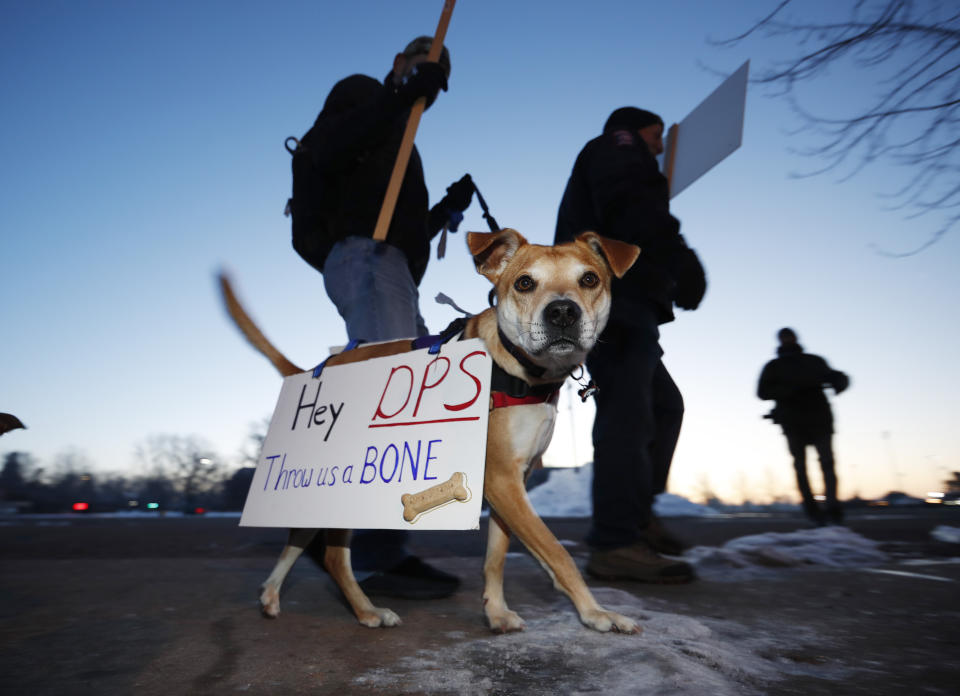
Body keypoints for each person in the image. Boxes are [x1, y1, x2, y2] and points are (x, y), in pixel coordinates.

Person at [299, 36, 475, 599]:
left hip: (387, 261)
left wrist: (441, 213)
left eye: (441, 77)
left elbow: (387, 211)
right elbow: (325, 149)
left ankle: (331, 531)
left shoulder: (396, 129)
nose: (435, 82)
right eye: (429, 67)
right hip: (367, 256)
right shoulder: (364, 96)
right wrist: (399, 96)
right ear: (401, 64)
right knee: (393, 395)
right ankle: (371, 552)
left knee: (391, 390)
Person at [554, 107, 706, 583]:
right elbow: (631, 205)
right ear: (637, 130)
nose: (661, 146)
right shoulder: (619, 147)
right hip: (610, 301)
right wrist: (679, 257)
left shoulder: (625, 157)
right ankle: (616, 541)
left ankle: (636, 517)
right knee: (628, 414)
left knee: (664, 408)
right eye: (656, 135)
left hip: (626, 300)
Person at [757, 328, 849, 525]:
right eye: (784, 337)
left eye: (790, 337)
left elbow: (832, 377)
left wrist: (840, 380)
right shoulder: (774, 366)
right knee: (801, 467)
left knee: (827, 463)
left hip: (820, 419)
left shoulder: (814, 361)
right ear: (780, 341)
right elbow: (762, 392)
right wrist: (788, 391)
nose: (788, 340)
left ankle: (832, 508)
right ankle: (812, 510)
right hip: (793, 422)